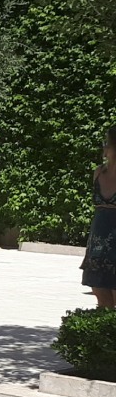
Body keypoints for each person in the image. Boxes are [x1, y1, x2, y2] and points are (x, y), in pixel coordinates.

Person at [82, 126, 116, 308]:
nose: (104, 147)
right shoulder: (99, 172)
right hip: (98, 241)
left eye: (107, 143)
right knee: (101, 297)